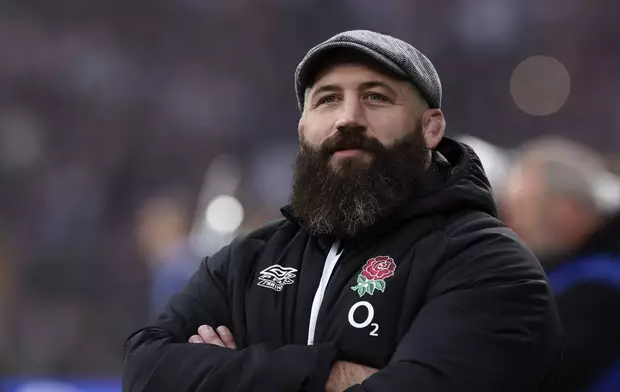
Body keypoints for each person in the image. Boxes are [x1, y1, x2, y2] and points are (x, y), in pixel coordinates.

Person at [122, 30, 562, 392]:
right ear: (303, 129)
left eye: (375, 97)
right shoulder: (250, 258)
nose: (347, 118)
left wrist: (231, 373)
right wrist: (337, 376)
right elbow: (145, 370)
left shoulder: (488, 263)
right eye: (328, 99)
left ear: (431, 127)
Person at [501, 136, 620, 392]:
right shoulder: (568, 272)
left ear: (566, 211)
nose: (511, 224)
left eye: (524, 208)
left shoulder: (599, 288)